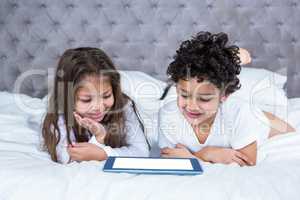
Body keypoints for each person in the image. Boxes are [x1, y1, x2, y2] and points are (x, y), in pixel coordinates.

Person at [158, 32, 295, 166]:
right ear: (176, 88)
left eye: (204, 99)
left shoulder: (241, 114)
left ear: (225, 96)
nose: (192, 106)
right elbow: (169, 156)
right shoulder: (168, 115)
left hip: (264, 123)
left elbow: (248, 163)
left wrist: (203, 154)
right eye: (184, 95)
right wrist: (204, 155)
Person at [42, 47, 149, 164]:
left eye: (106, 96)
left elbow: (141, 152)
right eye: (87, 100)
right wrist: (99, 139)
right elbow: (68, 158)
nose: (98, 107)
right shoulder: (60, 117)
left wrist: (104, 154)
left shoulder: (123, 107)